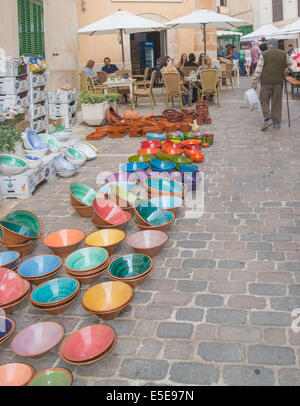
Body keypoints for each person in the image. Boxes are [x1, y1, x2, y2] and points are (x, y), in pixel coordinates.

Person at [251, 41, 296, 131]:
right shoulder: (284, 54)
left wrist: (254, 83)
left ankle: (268, 119)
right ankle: (276, 123)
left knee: (263, 99)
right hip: (278, 81)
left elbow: (258, 70)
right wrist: (288, 70)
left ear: (268, 45)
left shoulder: (264, 54)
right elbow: (293, 65)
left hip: (266, 82)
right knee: (277, 102)